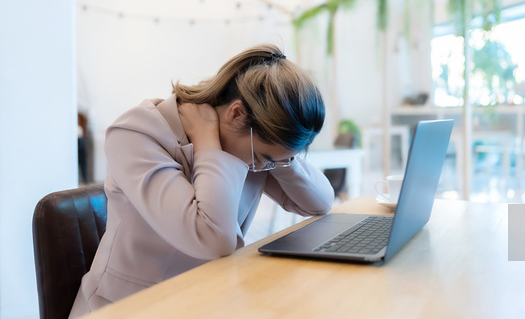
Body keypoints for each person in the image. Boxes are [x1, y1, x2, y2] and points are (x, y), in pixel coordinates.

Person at [70, 44, 334, 317]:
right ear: (236, 113)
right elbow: (212, 238)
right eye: (265, 156)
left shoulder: (250, 147)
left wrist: (281, 158)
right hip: (128, 307)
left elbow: (320, 202)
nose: (263, 167)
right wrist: (208, 143)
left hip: (208, 300)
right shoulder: (136, 133)